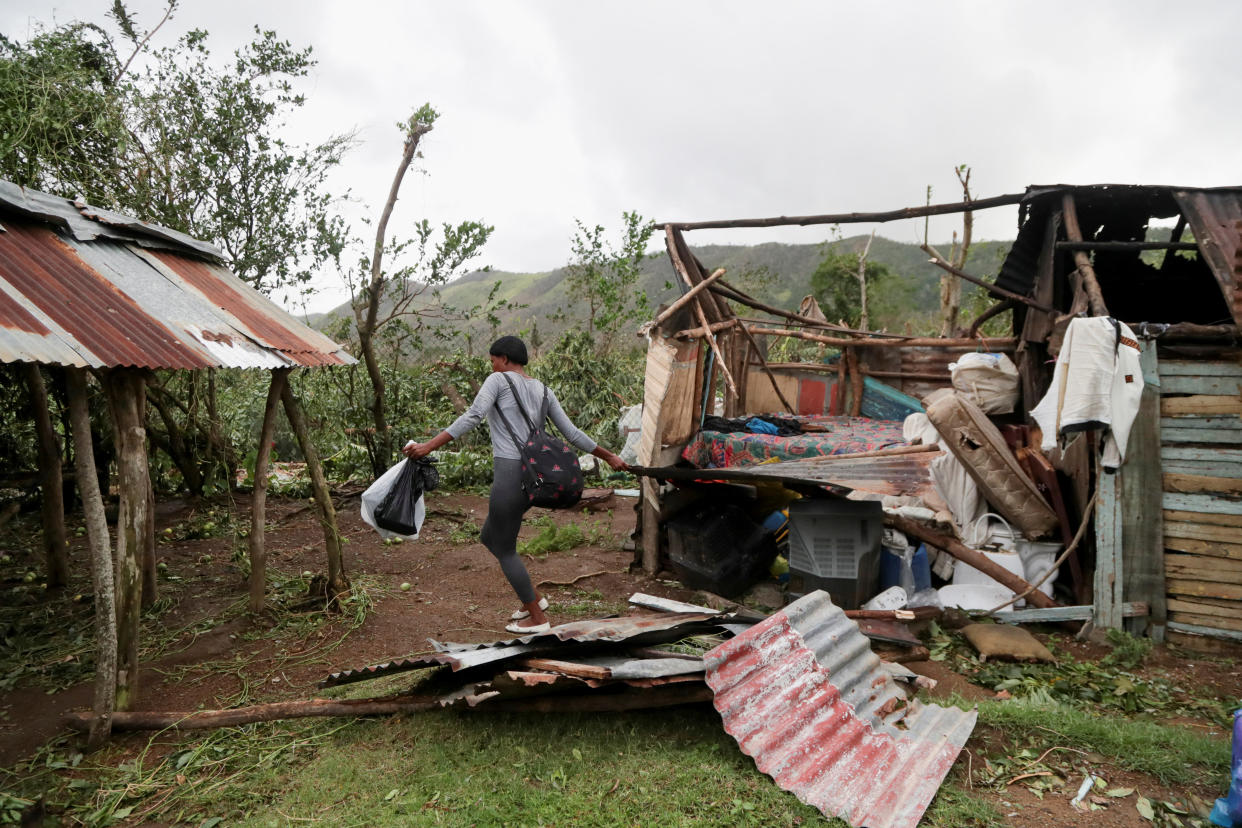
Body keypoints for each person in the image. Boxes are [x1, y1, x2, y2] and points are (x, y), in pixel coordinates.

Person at [403, 335, 627, 634]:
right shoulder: (544, 390)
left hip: (510, 472)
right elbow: (572, 433)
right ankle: (531, 600)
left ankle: (537, 616)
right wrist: (609, 455)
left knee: (505, 548)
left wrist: (428, 446)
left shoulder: (497, 381)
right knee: (489, 537)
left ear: (505, 359)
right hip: (536, 475)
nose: (492, 366)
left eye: (494, 360)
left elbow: (473, 416)